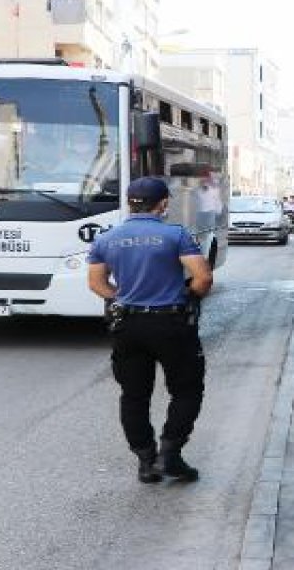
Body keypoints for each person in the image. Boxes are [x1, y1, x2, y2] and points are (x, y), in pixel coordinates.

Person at [86, 177, 214, 484]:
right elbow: (203, 277)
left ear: (130, 202)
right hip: (171, 324)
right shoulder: (174, 234)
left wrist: (121, 299)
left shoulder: (107, 238)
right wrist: (189, 296)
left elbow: (96, 283)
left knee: (134, 395)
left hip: (127, 326)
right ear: (164, 203)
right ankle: (170, 454)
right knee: (186, 390)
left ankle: (146, 461)